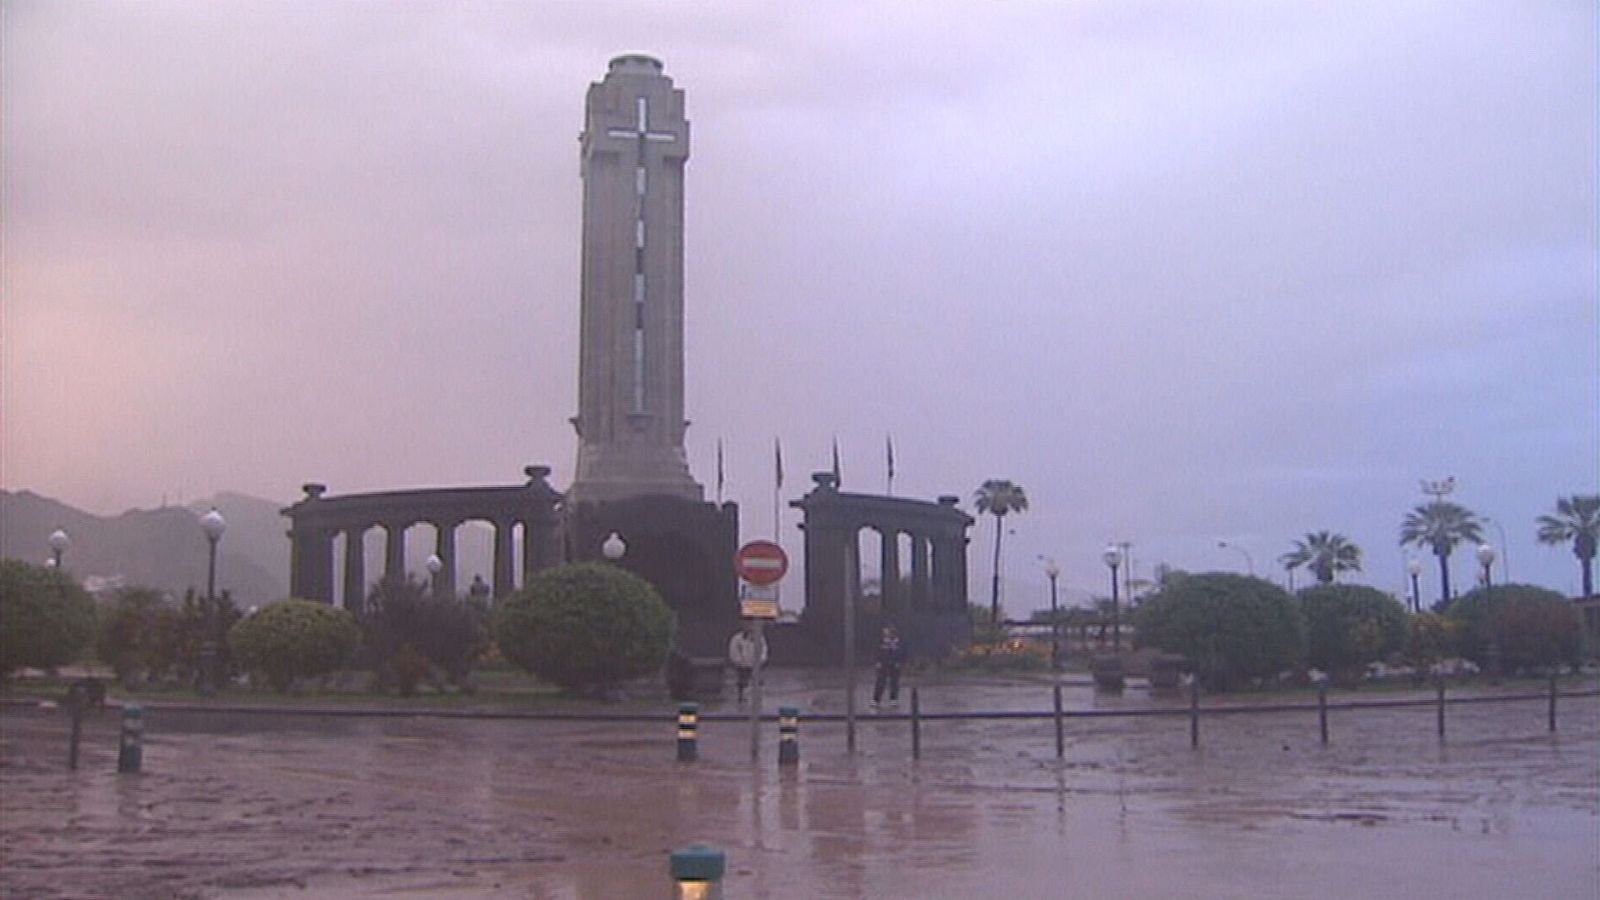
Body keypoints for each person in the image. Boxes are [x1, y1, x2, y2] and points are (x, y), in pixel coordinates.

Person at [727, 623, 767, 703]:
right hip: (742, 665)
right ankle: (742, 697)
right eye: (748, 626)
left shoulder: (759, 637)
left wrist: (761, 660)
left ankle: (758, 697)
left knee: (758, 681)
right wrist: (738, 661)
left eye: (752, 626)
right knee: (742, 681)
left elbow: (764, 649)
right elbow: (733, 651)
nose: (750, 627)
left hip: (756, 664)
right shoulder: (737, 638)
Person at [873, 625, 905, 708]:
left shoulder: (899, 643)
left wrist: (900, 662)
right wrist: (878, 662)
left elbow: (903, 653)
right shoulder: (881, 642)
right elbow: (877, 652)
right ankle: (876, 700)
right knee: (880, 682)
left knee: (894, 683)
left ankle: (893, 700)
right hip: (883, 665)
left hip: (895, 665)